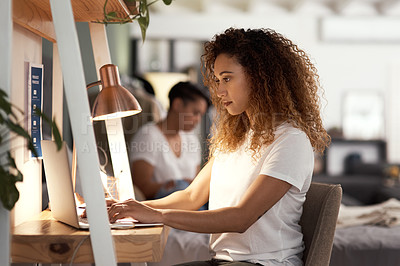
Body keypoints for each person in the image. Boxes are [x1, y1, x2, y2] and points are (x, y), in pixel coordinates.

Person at [109, 28, 330, 265]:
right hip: (223, 261)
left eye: (227, 78)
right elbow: (191, 196)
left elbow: (240, 218)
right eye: (217, 80)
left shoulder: (290, 140)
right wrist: (130, 207)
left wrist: (157, 215)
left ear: (258, 77)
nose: (219, 90)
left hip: (265, 263)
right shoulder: (235, 138)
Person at [129, 81, 210, 200]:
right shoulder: (148, 136)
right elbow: (141, 187)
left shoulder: (192, 140)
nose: (198, 120)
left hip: (190, 204)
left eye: (201, 115)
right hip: (162, 206)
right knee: (180, 187)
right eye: (195, 113)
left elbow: (196, 183)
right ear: (177, 104)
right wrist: (178, 185)